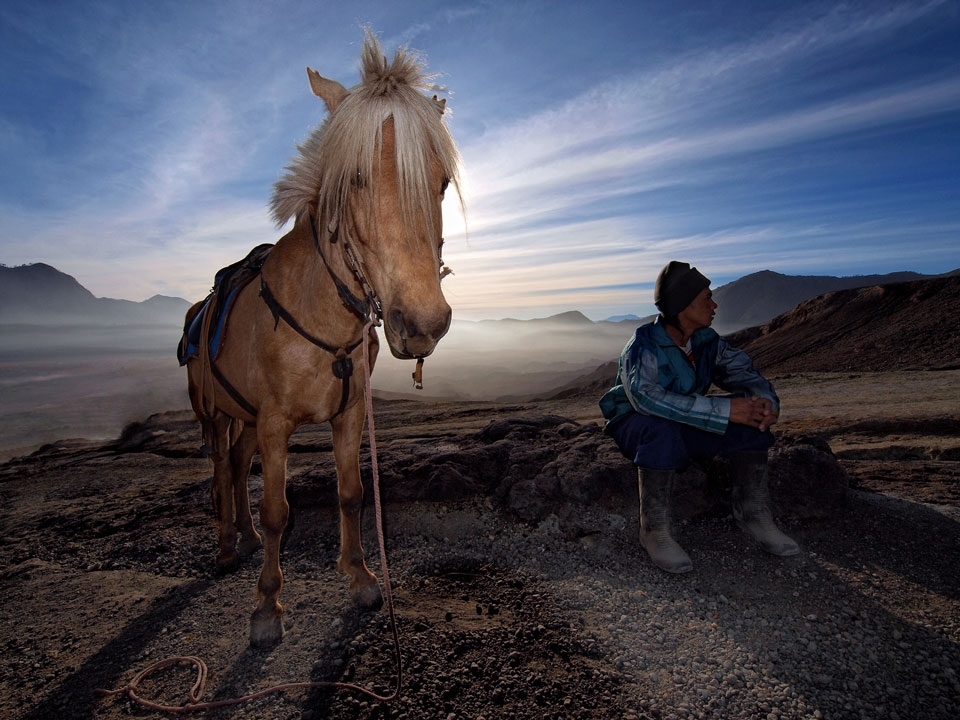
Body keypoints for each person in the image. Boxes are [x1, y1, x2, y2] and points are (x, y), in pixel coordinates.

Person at [599, 261, 799, 574]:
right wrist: (724, 410)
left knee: (749, 423)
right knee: (660, 429)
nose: (714, 304)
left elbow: (744, 373)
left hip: (686, 420)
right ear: (684, 304)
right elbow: (645, 399)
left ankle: (753, 514)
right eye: (707, 298)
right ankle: (655, 530)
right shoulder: (644, 344)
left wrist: (764, 404)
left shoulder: (708, 341)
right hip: (636, 422)